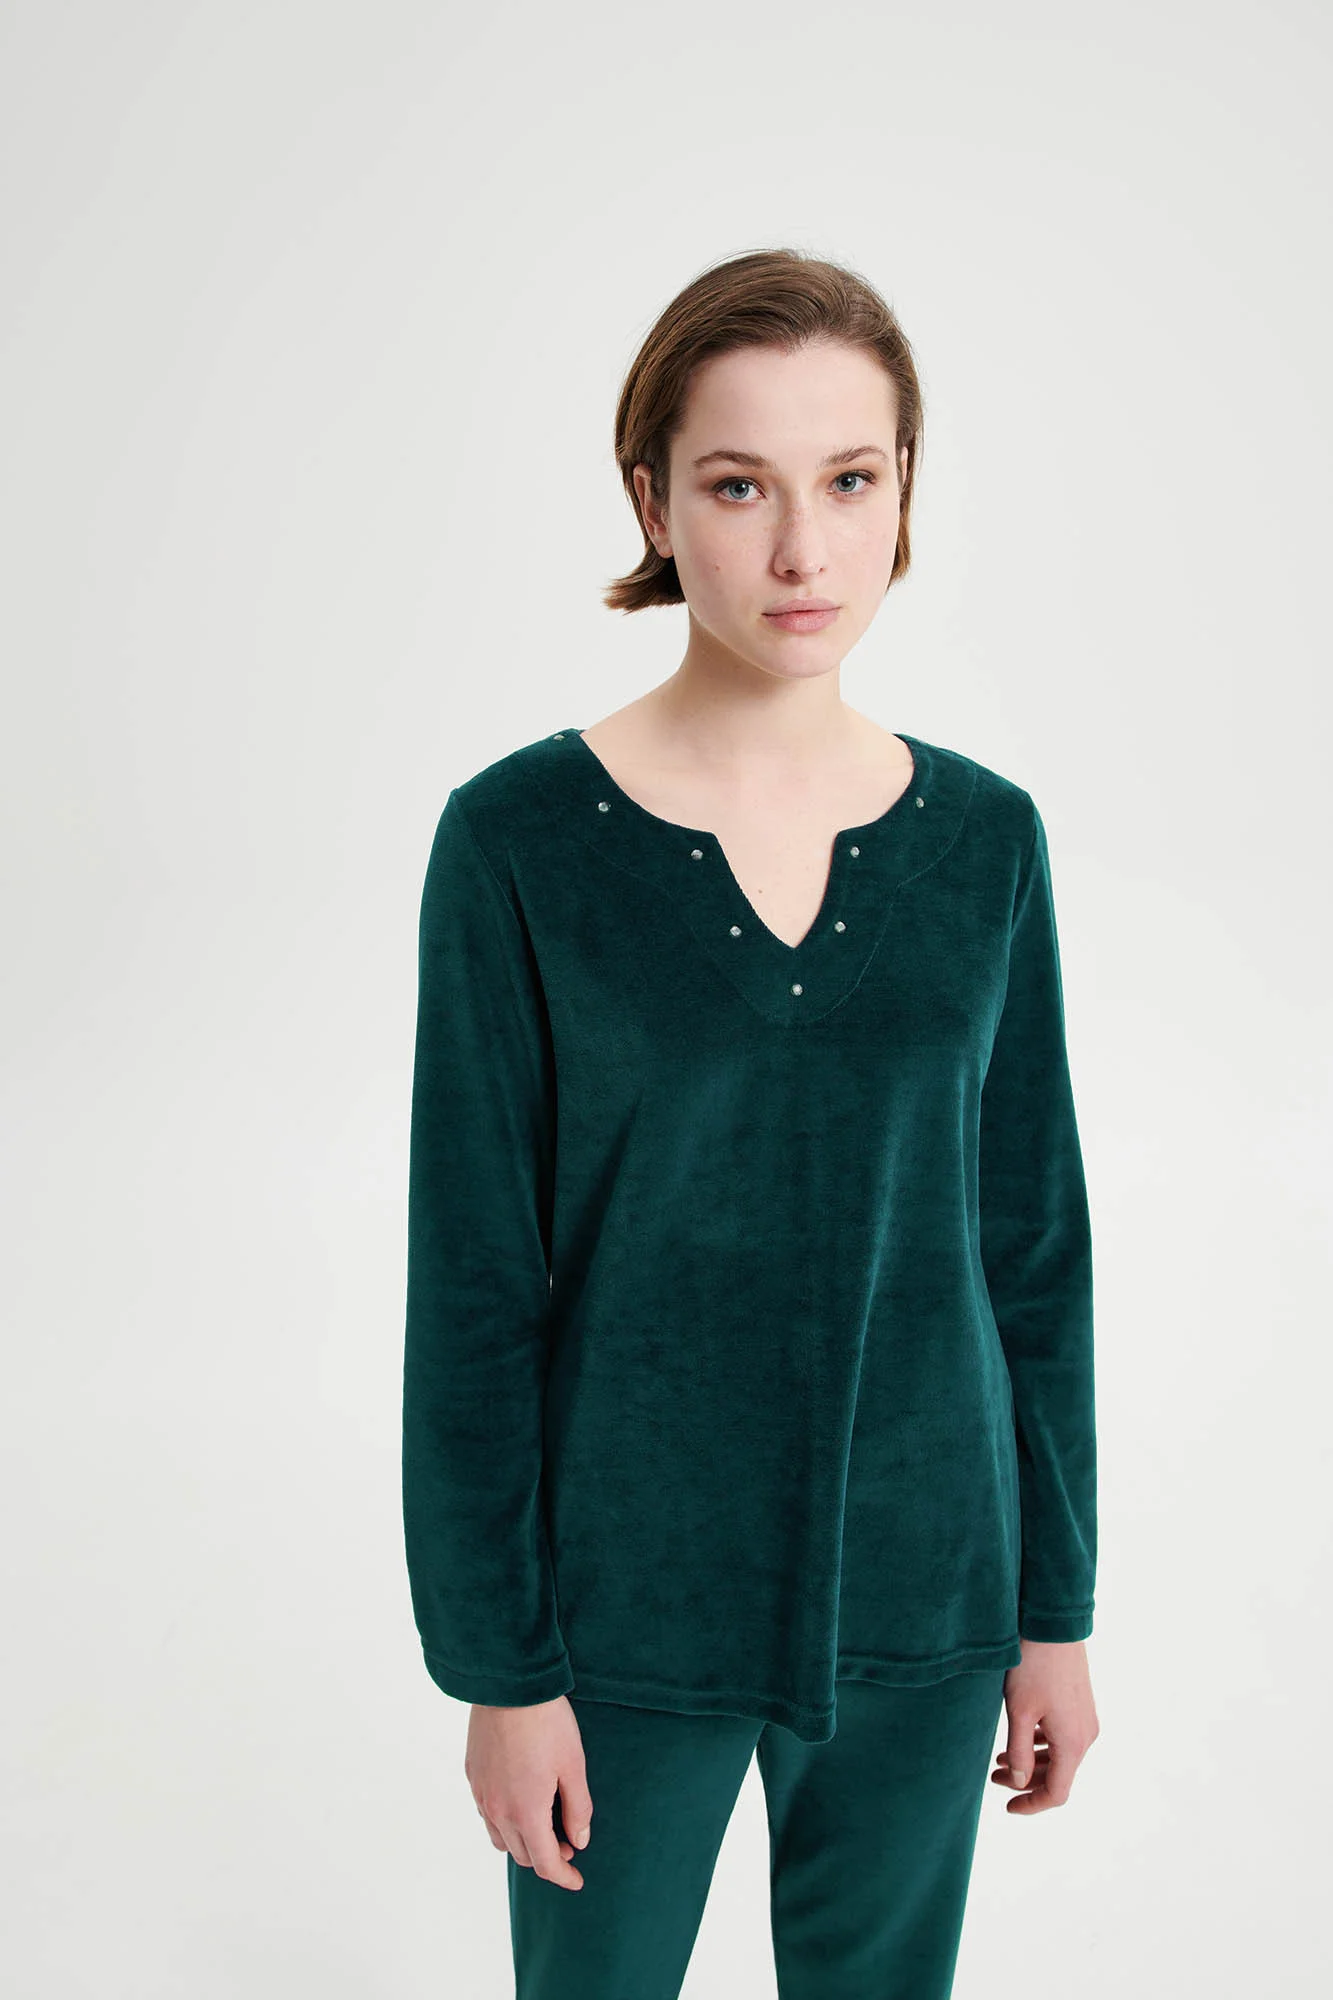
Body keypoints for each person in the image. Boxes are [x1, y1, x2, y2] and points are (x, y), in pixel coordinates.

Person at [402, 246, 1100, 1999]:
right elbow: (474, 1288)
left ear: (905, 492)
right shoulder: (518, 845)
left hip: (929, 1596)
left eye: (849, 481)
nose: (804, 552)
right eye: (739, 486)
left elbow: (1031, 1253)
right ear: (652, 500)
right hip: (615, 1617)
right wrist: (500, 1670)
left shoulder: (986, 846)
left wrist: (1055, 1614)